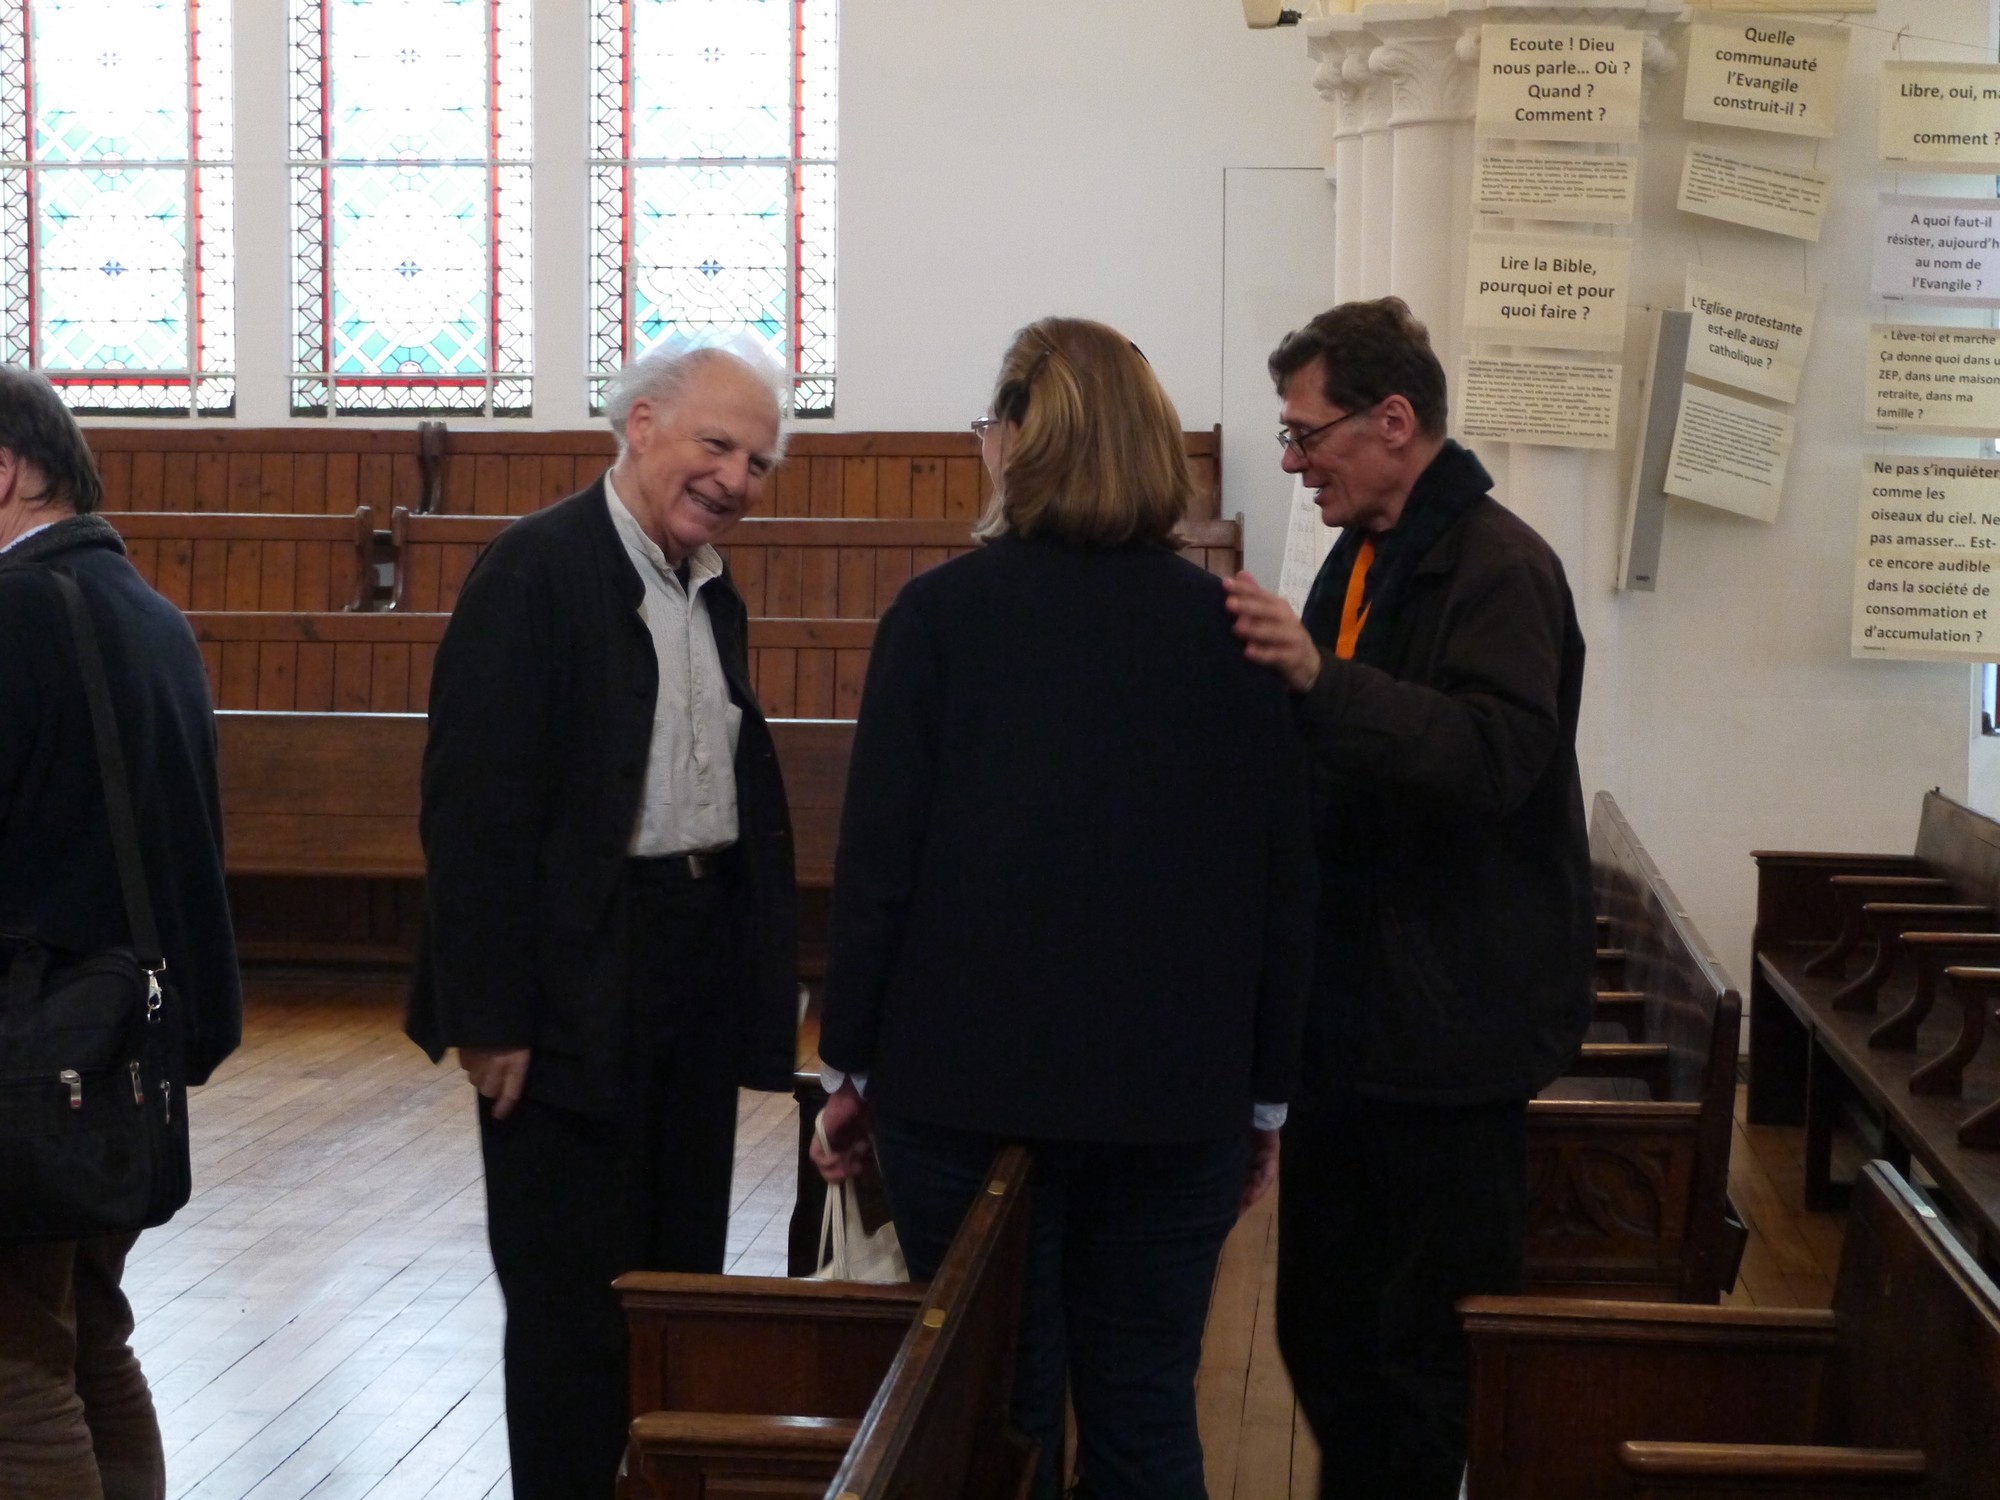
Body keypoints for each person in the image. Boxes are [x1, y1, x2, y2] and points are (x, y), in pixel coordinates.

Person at [811, 317, 1315, 1500]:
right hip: (1173, 1096)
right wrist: (1262, 1096)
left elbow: (878, 867)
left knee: (999, 1420)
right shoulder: (1235, 633)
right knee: (1145, 1411)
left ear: (1017, 441)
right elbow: (1283, 885)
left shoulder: (938, 618)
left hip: (961, 1092)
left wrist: (849, 1070)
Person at [405, 343, 801, 1500]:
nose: (735, 479)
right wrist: (490, 1013)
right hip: (573, 973)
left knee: (678, 1284)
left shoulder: (707, 584)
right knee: (571, 1305)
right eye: (716, 445)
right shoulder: (534, 569)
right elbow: (473, 809)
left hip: (691, 960)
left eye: (757, 462)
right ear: (640, 426)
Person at [1222, 298, 1595, 1499]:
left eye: (1306, 434)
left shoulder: (1500, 566)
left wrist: (1318, 681)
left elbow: (1493, 759)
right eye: (1287, 437)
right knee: (1322, 1327)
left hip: (1448, 1029)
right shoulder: (1362, 554)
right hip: (1351, 1021)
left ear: (1392, 421)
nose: (1294, 463)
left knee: (1424, 1352)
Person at [0, 367, 242, 1500]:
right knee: (92, 1335)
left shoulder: (17, 611)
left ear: (5, 469)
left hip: (29, 1056)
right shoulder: (145, 609)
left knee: (13, 1367)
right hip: (120, 1053)